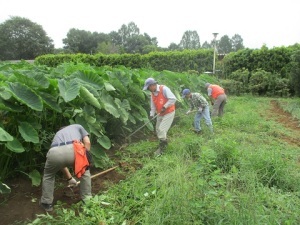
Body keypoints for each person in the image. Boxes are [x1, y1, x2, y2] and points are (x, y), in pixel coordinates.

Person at [39, 124, 92, 212]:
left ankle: (46, 203)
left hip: (54, 151)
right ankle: (87, 201)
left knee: (48, 175)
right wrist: (85, 160)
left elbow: (61, 160)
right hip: (74, 148)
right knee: (84, 172)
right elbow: (87, 142)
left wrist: (70, 179)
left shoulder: (58, 134)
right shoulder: (77, 126)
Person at [143, 77, 177, 156]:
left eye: (148, 87)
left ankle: (163, 149)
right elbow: (153, 106)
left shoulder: (164, 89)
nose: (148, 89)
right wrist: (151, 115)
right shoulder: (152, 94)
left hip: (169, 112)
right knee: (158, 130)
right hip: (160, 113)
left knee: (162, 130)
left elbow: (173, 99)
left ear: (152, 85)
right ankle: (163, 142)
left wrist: (165, 107)